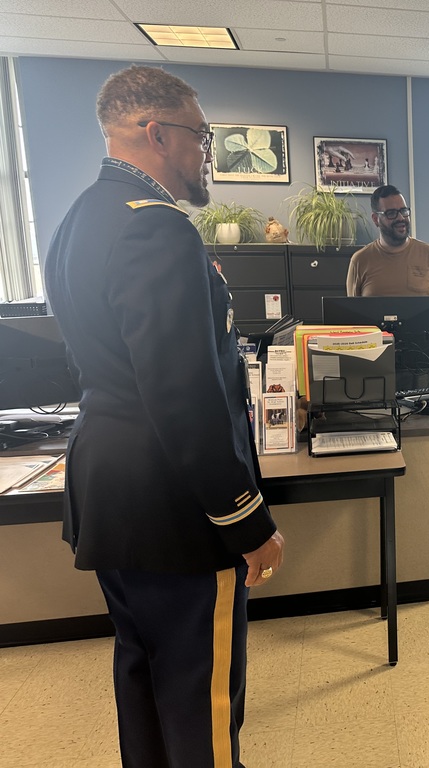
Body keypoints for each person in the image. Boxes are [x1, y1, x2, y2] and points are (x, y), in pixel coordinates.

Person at [44, 65, 284, 767]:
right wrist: (246, 518)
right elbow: (184, 395)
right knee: (199, 697)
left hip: (112, 497)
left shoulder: (79, 220)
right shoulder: (159, 233)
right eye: (202, 138)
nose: (207, 153)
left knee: (143, 678)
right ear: (157, 134)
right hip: (173, 508)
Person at [346, 184, 429, 384]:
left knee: (428, 416)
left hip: (425, 365)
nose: (400, 218)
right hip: (375, 367)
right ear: (376, 219)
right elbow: (350, 322)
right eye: (391, 213)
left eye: (403, 211)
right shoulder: (360, 261)